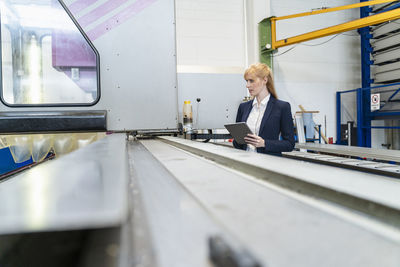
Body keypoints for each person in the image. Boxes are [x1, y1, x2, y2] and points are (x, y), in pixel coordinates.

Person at [233, 63, 295, 156]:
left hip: (268, 164)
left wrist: (264, 143)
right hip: (246, 162)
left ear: (264, 80)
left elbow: (289, 144)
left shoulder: (282, 107)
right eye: (247, 81)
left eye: (251, 81)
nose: (247, 85)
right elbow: (236, 143)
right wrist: (239, 140)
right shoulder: (243, 107)